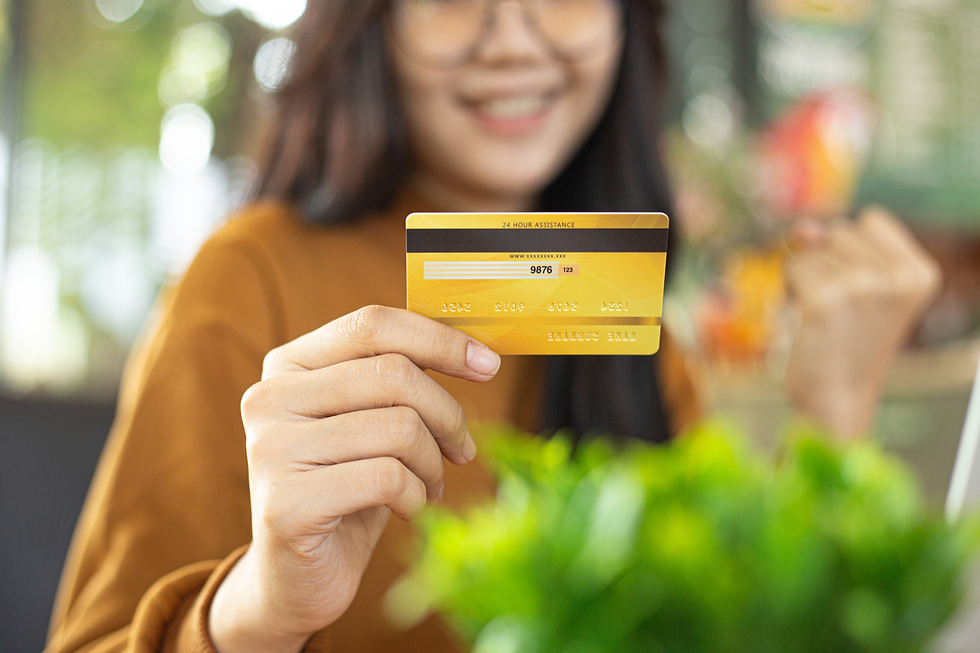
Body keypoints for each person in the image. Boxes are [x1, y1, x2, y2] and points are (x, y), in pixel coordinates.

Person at [46, 1, 941, 652]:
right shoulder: (251, 278)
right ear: (373, 23)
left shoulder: (630, 332)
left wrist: (832, 414)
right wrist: (262, 604)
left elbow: (719, 629)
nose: (512, 37)